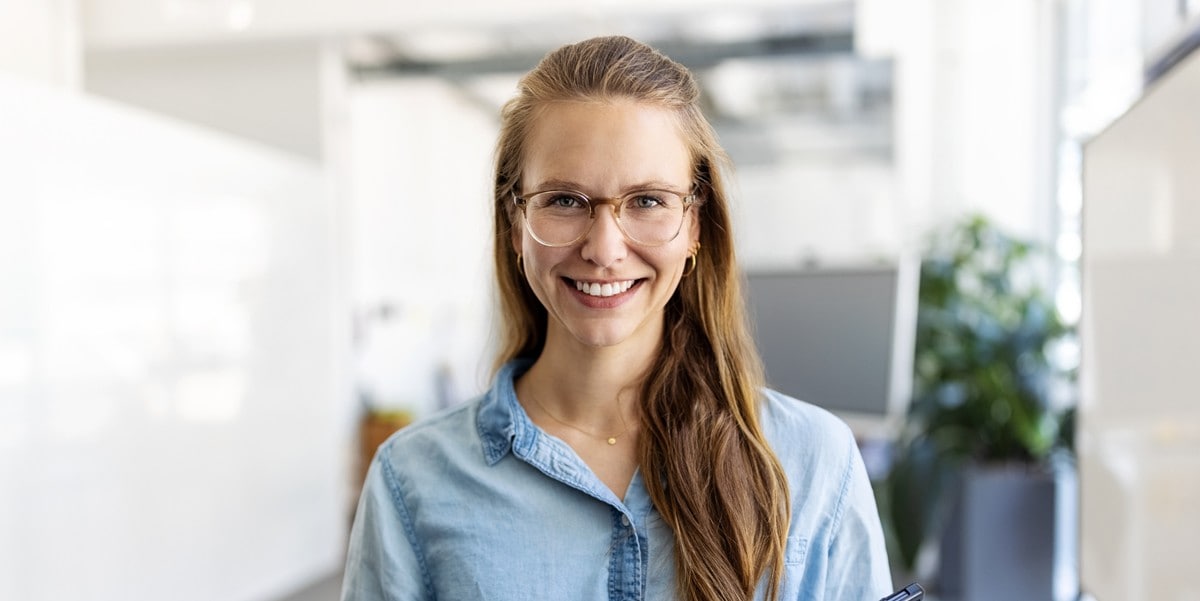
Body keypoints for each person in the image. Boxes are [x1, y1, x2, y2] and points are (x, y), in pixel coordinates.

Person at [341, 35, 892, 601]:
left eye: (648, 200)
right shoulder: (414, 480)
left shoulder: (813, 461)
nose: (604, 249)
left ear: (695, 225)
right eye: (564, 200)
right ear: (514, 224)